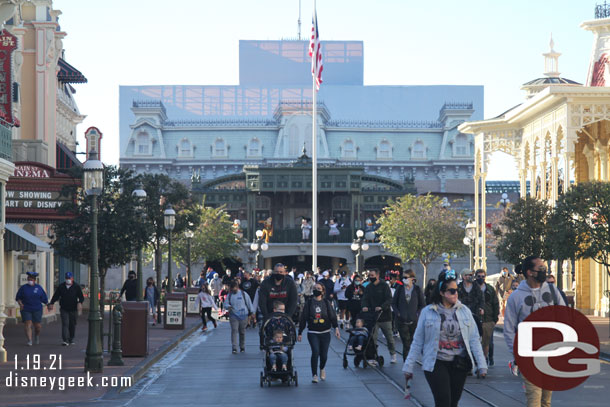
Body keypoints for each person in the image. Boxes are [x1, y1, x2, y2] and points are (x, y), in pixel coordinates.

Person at [403, 270, 487, 407]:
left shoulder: (464, 311)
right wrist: (408, 365)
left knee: (453, 402)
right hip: (436, 362)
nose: (455, 293)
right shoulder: (428, 312)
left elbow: (474, 339)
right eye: (451, 291)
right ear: (442, 293)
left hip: (459, 363)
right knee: (443, 401)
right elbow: (418, 340)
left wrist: (481, 364)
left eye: (456, 290)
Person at [504, 256, 565, 407]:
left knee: (546, 400)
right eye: (541, 269)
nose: (545, 271)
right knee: (534, 398)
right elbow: (509, 329)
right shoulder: (516, 297)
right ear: (530, 272)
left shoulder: (552, 291)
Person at [298, 282, 340, 383]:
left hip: (325, 332)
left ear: (323, 291)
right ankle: (314, 375)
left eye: (319, 288)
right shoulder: (309, 303)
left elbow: (332, 316)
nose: (316, 290)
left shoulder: (326, 303)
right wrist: (300, 332)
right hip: (313, 332)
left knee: (324, 355)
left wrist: (336, 328)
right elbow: (303, 318)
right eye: (315, 288)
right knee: (315, 352)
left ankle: (322, 368)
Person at [361, 269, 397, 363]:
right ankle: (374, 355)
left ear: (377, 275)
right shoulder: (369, 287)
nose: (371, 277)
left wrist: (382, 307)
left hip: (385, 316)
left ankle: (393, 354)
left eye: (372, 275)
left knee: (389, 337)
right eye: (370, 275)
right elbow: (365, 298)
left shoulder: (384, 286)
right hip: (373, 316)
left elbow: (389, 299)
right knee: (373, 338)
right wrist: (364, 306)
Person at [392, 269, 425, 361]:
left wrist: (417, 314)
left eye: (406, 277)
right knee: (406, 342)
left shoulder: (417, 289)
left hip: (414, 321)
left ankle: (411, 359)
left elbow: (422, 304)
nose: (404, 279)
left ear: (412, 278)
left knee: (412, 342)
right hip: (401, 321)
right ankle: (407, 362)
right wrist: (398, 313)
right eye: (403, 277)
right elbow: (393, 303)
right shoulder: (399, 289)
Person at [48, 272, 84, 346]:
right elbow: (56, 295)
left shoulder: (76, 286)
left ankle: (71, 338)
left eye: (69, 278)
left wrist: (80, 303)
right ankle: (65, 340)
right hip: (64, 308)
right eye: (67, 278)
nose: (68, 280)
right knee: (65, 323)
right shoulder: (61, 286)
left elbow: (81, 297)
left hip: (73, 309)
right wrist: (52, 303)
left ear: (72, 278)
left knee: (72, 324)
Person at [16, 271, 49, 346]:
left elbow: (44, 298)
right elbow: (18, 298)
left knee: (37, 326)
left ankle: (37, 335)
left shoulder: (39, 288)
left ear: (34, 280)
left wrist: (48, 305)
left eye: (32, 279)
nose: (30, 280)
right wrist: (20, 304)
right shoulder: (23, 288)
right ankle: (29, 340)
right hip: (26, 308)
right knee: (28, 323)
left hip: (37, 308)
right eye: (29, 279)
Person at [474, 269, 499, 366]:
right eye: (479, 276)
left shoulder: (490, 289)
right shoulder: (473, 288)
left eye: (483, 276)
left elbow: (495, 303)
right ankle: (479, 360)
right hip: (475, 319)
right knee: (476, 342)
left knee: (488, 342)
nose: (481, 278)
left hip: (488, 319)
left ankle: (488, 357)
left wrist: (495, 318)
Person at [226, 280, 255, 353]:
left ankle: (242, 346)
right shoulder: (229, 295)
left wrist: (252, 312)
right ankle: (234, 348)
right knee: (234, 330)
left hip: (243, 315)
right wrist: (228, 306)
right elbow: (225, 304)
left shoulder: (243, 294)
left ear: (237, 287)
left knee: (242, 332)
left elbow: (249, 303)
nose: (233, 290)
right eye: (232, 289)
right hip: (233, 315)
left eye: (234, 289)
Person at [457, 269, 484, 335]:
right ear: (463, 277)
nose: (470, 277)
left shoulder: (476, 286)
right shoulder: (459, 288)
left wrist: (481, 308)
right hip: (462, 315)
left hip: (475, 313)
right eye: (468, 275)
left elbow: (481, 298)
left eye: (471, 275)